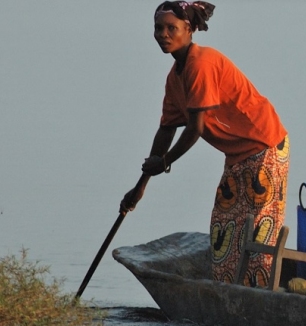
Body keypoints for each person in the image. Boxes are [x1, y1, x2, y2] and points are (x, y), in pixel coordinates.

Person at [120, 1, 290, 288]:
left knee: (257, 231)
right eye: (158, 28)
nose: (163, 34)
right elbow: (166, 130)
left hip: (265, 146)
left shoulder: (201, 64)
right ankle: (231, 292)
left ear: (189, 30)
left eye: (171, 28)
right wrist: (140, 187)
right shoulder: (175, 77)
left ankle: (258, 292)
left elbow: (195, 129)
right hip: (237, 154)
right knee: (224, 228)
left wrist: (164, 163)